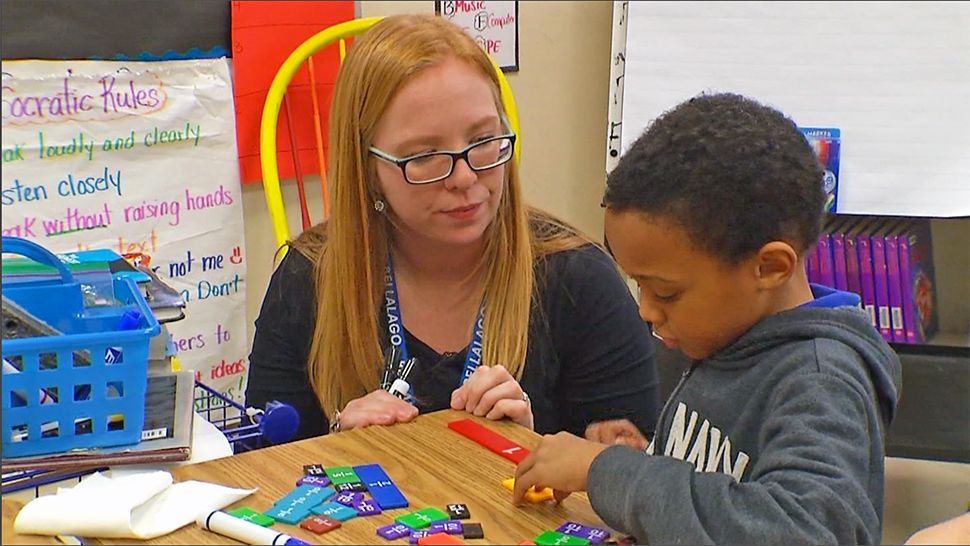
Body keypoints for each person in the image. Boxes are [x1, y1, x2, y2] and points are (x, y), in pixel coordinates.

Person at [246, 14, 660, 442]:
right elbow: (257, 461)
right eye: (424, 156)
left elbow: (639, 483)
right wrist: (336, 444)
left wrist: (535, 450)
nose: (464, 178)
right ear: (367, 170)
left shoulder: (580, 280)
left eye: (483, 142)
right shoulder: (308, 276)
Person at [512, 92, 902, 544]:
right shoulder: (733, 333)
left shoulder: (821, 379)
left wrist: (614, 473)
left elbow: (805, 531)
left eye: (665, 292)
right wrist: (650, 457)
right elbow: (725, 484)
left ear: (769, 268)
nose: (645, 310)